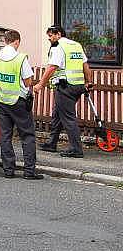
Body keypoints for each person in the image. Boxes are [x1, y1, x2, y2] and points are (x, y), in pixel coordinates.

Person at [0, 30, 43, 179]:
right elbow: (28, 81)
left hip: (1, 100)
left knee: (5, 135)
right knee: (27, 135)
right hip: (19, 101)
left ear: (5, 41)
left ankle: (8, 170)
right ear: (17, 42)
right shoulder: (20, 58)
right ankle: (29, 171)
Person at [33, 25, 92, 158]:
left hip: (65, 87)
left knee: (68, 118)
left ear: (58, 34)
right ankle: (52, 143)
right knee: (58, 114)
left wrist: (40, 84)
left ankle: (76, 149)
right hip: (78, 86)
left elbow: (52, 67)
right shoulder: (77, 45)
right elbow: (85, 66)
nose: (49, 38)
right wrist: (88, 82)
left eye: (51, 35)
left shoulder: (58, 47)